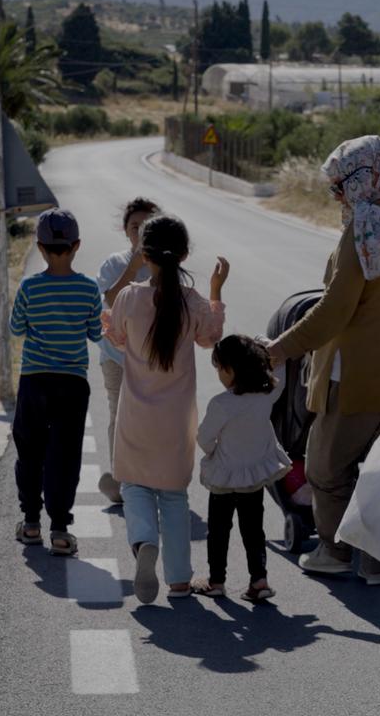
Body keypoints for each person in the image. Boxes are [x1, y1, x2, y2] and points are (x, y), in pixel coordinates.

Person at [267, 135, 380, 586]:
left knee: (326, 467)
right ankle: (376, 558)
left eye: (339, 185)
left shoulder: (365, 227)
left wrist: (279, 348)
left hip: (357, 375)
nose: (335, 196)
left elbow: (332, 311)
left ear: (363, 179)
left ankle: (335, 549)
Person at [104, 214, 229, 604]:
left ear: (145, 254)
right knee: (174, 496)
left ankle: (144, 541)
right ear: (185, 254)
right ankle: (178, 580)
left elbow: (117, 338)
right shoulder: (192, 302)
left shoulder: (130, 297)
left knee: (135, 485)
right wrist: (215, 289)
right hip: (177, 420)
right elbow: (210, 339)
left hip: (135, 416)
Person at [10, 208, 104, 557]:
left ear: (39, 247)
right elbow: (96, 333)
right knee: (64, 455)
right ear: (76, 245)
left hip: (34, 380)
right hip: (72, 384)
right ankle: (61, 530)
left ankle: (31, 522)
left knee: (30, 450)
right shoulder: (88, 288)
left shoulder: (30, 287)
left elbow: (16, 328)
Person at [191, 335, 292, 602]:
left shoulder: (222, 403)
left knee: (219, 530)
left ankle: (216, 581)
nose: (219, 374)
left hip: (224, 478)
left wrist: (213, 453)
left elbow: (203, 437)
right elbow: (279, 371)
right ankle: (259, 580)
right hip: (253, 478)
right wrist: (271, 347)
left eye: (219, 368)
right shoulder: (265, 395)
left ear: (231, 370)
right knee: (253, 529)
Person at [94, 197, 160, 504]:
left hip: (154, 359)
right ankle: (121, 480)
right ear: (126, 231)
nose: (141, 232)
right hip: (116, 356)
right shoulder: (114, 263)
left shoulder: (164, 265)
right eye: (136, 226)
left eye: (147, 226)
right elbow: (109, 300)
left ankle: (148, 478)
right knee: (118, 416)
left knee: (151, 418)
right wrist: (134, 266)